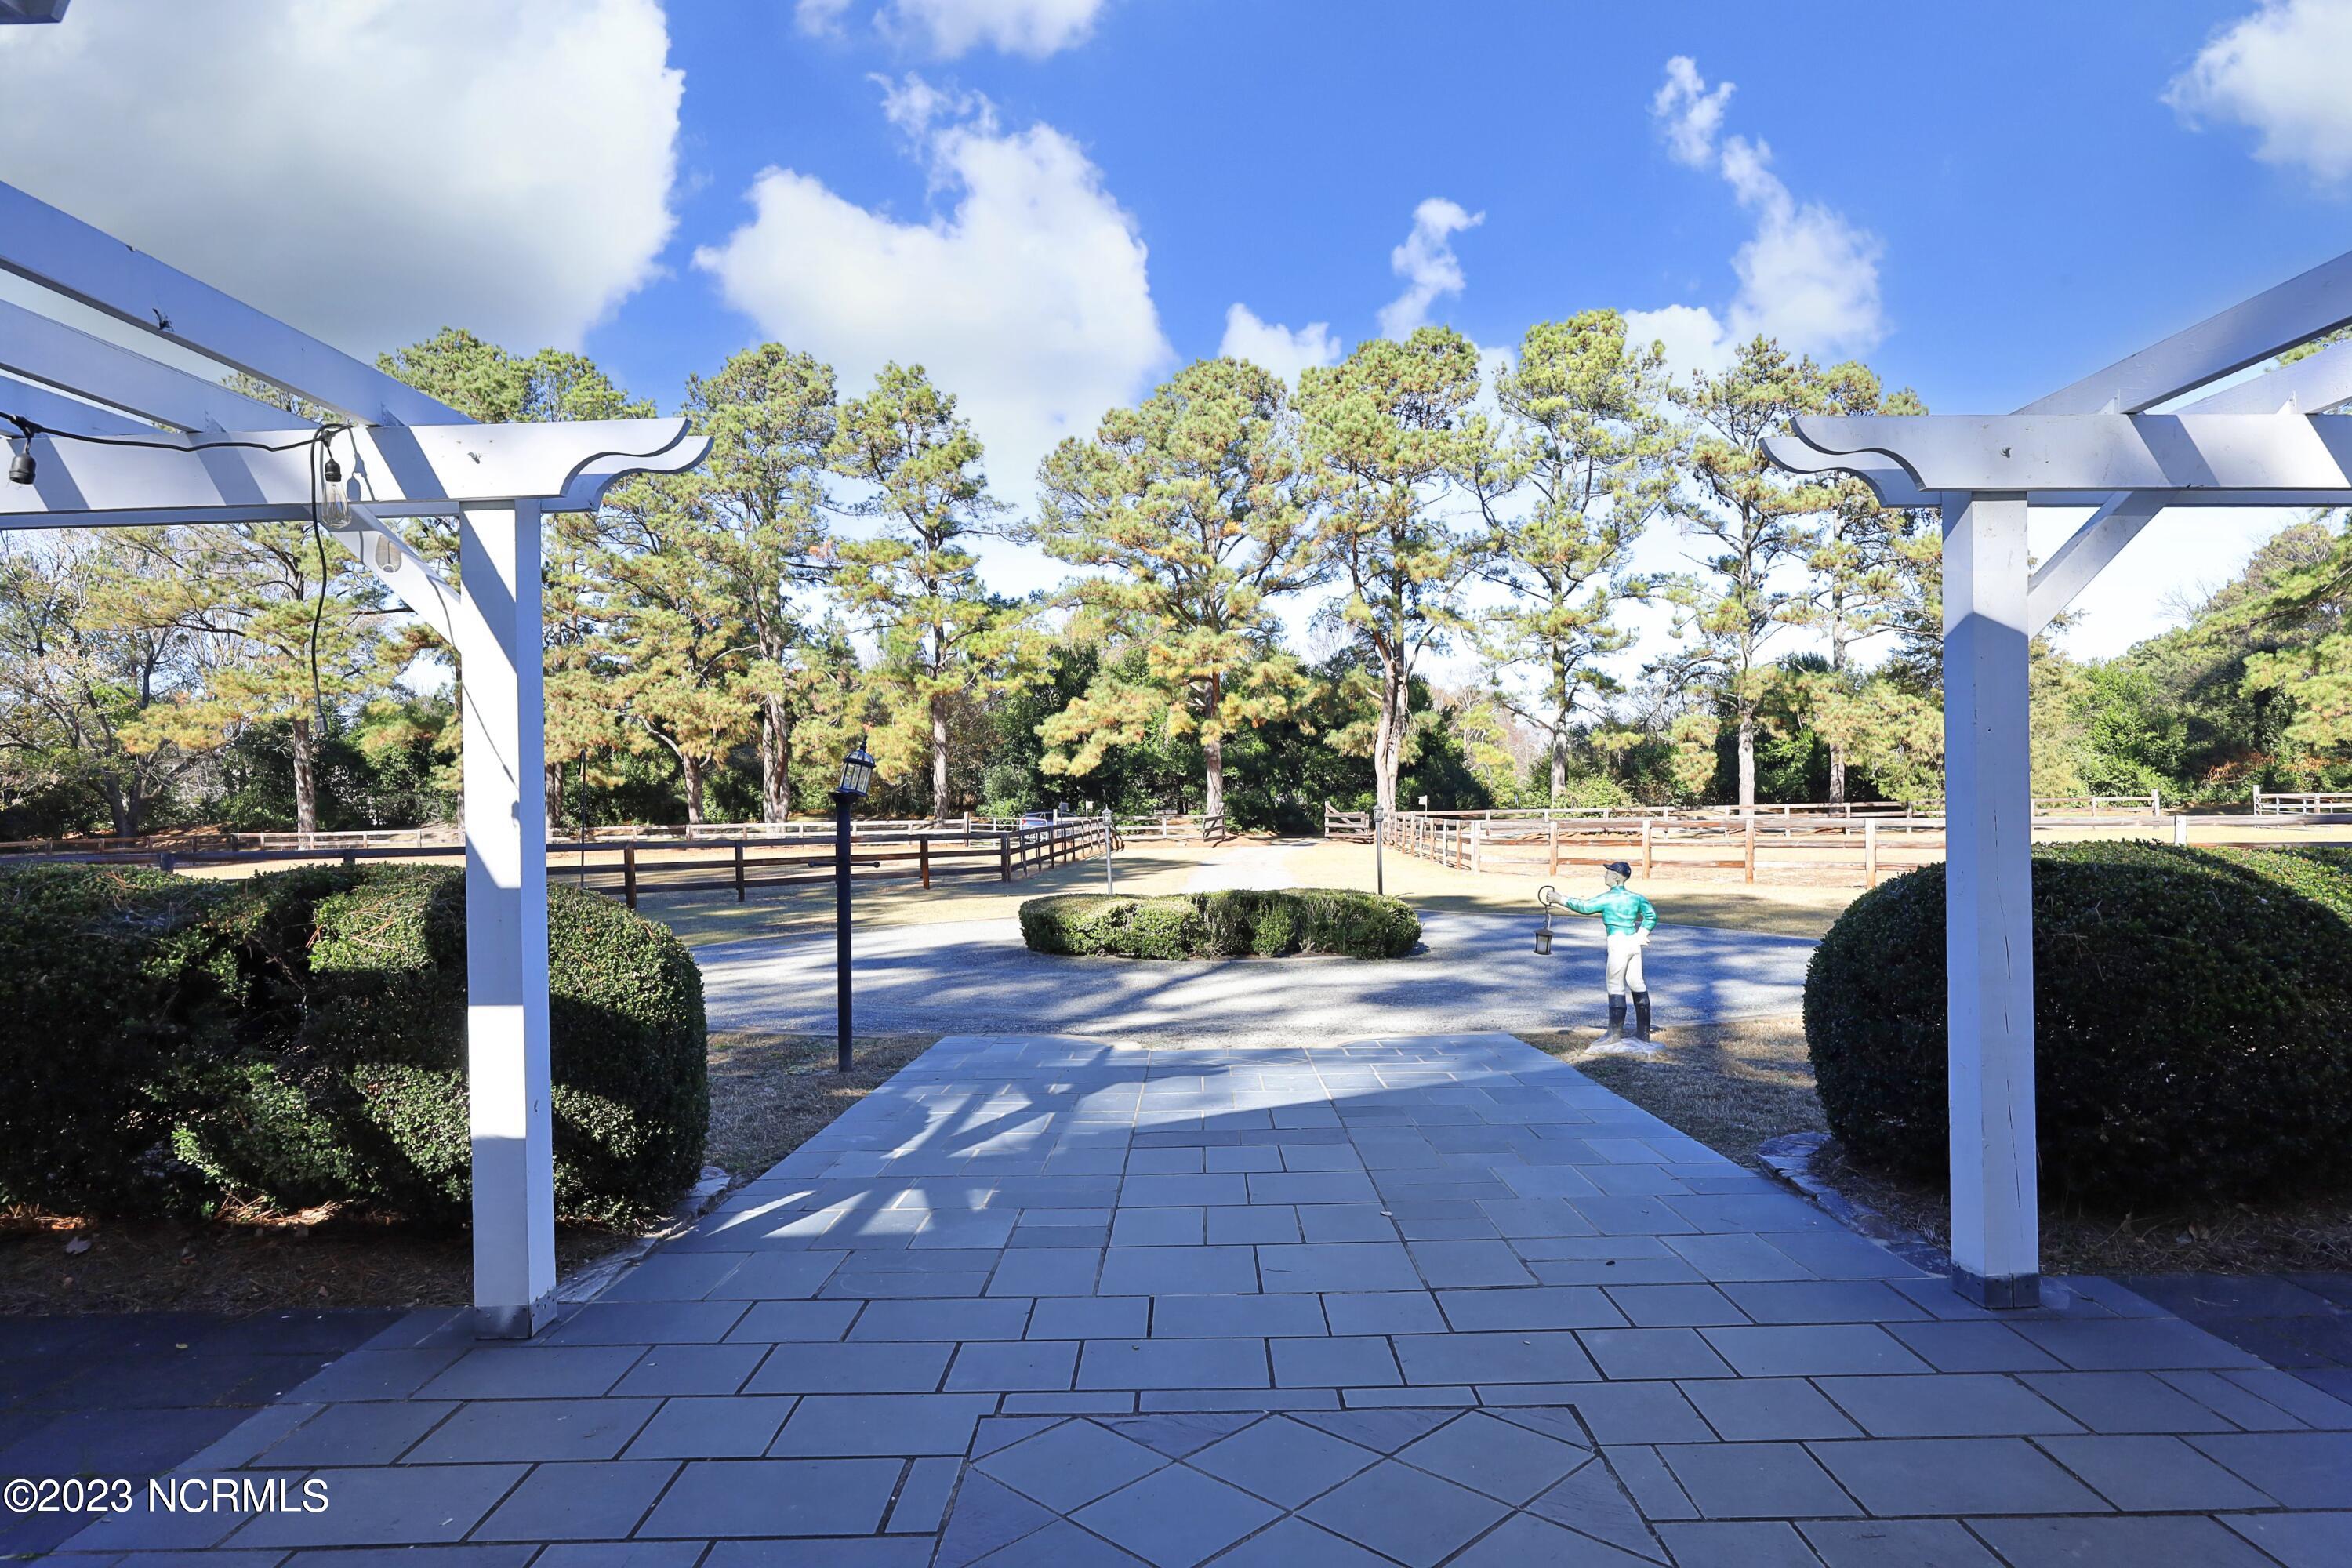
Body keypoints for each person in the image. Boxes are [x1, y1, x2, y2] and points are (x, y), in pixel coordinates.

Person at [1552, 860, 1657, 1051]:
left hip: (1618, 942)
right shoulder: (1636, 898)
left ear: (1616, 876)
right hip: (1634, 941)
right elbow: (1651, 916)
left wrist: (1560, 899)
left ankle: (1614, 1034)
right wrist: (1642, 934)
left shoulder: (1608, 899)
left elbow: (1585, 906)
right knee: (1637, 983)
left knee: (1615, 985)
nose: (1605, 875)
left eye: (1608, 872)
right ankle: (1643, 1033)